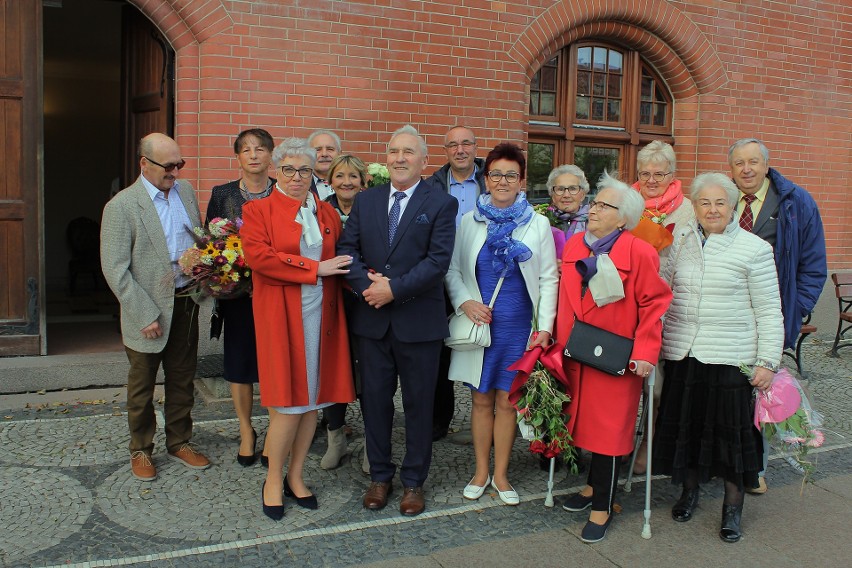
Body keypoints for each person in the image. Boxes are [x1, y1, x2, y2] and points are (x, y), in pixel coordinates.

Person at [653, 172, 783, 543]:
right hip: (685, 353)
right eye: (704, 202)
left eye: (720, 202)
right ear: (694, 207)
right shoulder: (682, 242)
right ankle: (689, 491)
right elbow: (663, 288)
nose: (712, 209)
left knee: (730, 437)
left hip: (730, 357)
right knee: (688, 427)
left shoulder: (755, 249)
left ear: (733, 206)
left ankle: (732, 506)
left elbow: (770, 311)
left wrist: (767, 361)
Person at [337, 124, 458, 517]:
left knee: (419, 406)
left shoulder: (440, 203)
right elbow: (346, 250)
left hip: (418, 324)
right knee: (374, 404)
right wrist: (367, 288)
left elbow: (438, 262)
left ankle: (413, 482)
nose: (400, 158)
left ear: (424, 160)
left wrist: (395, 289)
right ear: (386, 159)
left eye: (408, 152)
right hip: (372, 321)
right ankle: (380, 476)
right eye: (393, 151)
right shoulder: (367, 200)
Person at [240, 137, 356, 521]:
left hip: (322, 317)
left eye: (304, 170)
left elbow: (345, 258)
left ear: (313, 173)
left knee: (312, 404)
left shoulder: (326, 213)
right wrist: (313, 269)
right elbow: (259, 257)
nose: (296, 177)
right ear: (276, 170)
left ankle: (296, 474)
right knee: (287, 406)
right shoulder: (258, 211)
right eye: (288, 169)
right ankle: (272, 478)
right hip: (281, 317)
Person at [555, 173, 672, 543]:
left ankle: (602, 508)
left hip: (615, 358)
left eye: (604, 206)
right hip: (576, 352)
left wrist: (645, 353)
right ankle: (592, 487)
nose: (593, 210)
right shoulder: (575, 245)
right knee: (582, 425)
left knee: (608, 432)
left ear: (623, 218)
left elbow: (654, 304)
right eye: (596, 203)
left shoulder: (640, 252)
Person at [444, 143, 558, 505]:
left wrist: (546, 326)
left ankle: (503, 475)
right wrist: (465, 301)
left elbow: (550, 279)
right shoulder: (468, 221)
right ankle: (480, 471)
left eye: (511, 175)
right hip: (482, 323)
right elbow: (453, 269)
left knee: (508, 402)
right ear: (486, 178)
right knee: (480, 400)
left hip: (520, 326)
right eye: (496, 174)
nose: (503, 181)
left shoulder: (538, 223)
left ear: (522, 181)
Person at [100, 132, 210, 481]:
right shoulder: (122, 206)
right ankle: (141, 449)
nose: (175, 172)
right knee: (142, 386)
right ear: (144, 164)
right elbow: (115, 269)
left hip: (185, 302)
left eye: (180, 164)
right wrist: (143, 313)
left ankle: (179, 441)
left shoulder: (187, 192)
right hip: (145, 311)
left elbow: (199, 239)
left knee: (182, 379)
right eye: (168, 165)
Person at [728, 138, 827, 495]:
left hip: (773, 314)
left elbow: (814, 266)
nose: (747, 169)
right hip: (728, 317)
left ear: (766, 164)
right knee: (729, 391)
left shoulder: (796, 202)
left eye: (753, 161)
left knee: (761, 389)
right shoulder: (723, 201)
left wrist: (795, 309)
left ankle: (755, 468)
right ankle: (725, 461)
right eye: (739, 163)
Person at [205, 128, 275, 467]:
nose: (253, 155)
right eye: (246, 150)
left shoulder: (284, 190)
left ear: (270, 155)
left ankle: (277, 429)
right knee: (239, 364)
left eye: (260, 149)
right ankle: (247, 431)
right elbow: (209, 244)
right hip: (238, 296)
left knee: (276, 362)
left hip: (278, 292)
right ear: (238, 157)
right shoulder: (223, 194)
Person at [629, 140, 694, 474]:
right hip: (628, 303)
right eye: (645, 173)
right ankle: (624, 436)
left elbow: (690, 258)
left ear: (672, 175)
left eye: (658, 173)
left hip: (669, 304)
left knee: (658, 381)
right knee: (628, 376)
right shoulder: (628, 202)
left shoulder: (686, 210)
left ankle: (649, 442)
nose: (651, 179)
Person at [428, 126, 487, 442]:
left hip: (484, 277)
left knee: (485, 343)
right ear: (446, 150)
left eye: (466, 143)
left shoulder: (492, 181)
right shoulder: (433, 186)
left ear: (476, 147)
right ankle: (440, 419)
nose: (460, 149)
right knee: (439, 351)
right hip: (441, 277)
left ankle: (487, 415)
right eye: (453, 144)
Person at [320, 153, 368, 470]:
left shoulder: (374, 207)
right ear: (330, 180)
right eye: (340, 176)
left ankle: (372, 445)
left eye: (353, 176)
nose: (346, 182)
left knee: (369, 372)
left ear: (363, 181)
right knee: (332, 367)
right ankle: (335, 438)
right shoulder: (318, 210)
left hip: (365, 300)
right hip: (329, 300)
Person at [543, 164, 591, 260]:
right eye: (560, 189)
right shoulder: (542, 222)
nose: (566, 195)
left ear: (582, 194)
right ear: (552, 195)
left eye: (573, 189)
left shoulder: (594, 221)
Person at [307, 129, 341, 201]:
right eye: (318, 150)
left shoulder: (352, 184)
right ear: (308, 155)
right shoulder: (300, 184)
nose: (324, 154)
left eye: (330, 149)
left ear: (339, 153)